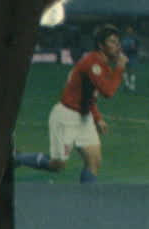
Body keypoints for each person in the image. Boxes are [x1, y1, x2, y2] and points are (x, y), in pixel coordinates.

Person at [14, 24, 128, 183]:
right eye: (112, 41)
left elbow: (89, 96)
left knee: (94, 161)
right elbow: (108, 92)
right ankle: (16, 158)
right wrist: (120, 67)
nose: (117, 45)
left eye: (118, 42)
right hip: (66, 116)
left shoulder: (103, 66)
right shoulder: (92, 63)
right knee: (57, 165)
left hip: (84, 118)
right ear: (101, 45)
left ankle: (86, 197)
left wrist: (97, 118)